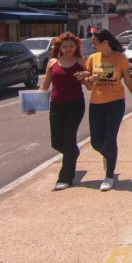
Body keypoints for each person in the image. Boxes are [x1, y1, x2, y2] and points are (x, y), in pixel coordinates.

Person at [75, 29, 132, 192]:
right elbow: (87, 83)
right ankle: (108, 155)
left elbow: (128, 80)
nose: (93, 46)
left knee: (110, 138)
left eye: (95, 43)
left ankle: (109, 175)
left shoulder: (120, 58)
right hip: (96, 103)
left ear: (105, 43)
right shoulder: (92, 58)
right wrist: (87, 78)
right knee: (96, 142)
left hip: (115, 102)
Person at [34, 32, 87, 191]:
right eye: (64, 46)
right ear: (59, 48)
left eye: (71, 46)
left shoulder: (81, 62)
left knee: (69, 140)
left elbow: (89, 84)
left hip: (75, 105)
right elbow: (45, 85)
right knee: (57, 142)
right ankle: (73, 153)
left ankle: (65, 178)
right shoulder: (52, 62)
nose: (68, 49)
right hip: (56, 106)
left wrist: (86, 76)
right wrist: (32, 104)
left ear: (76, 47)